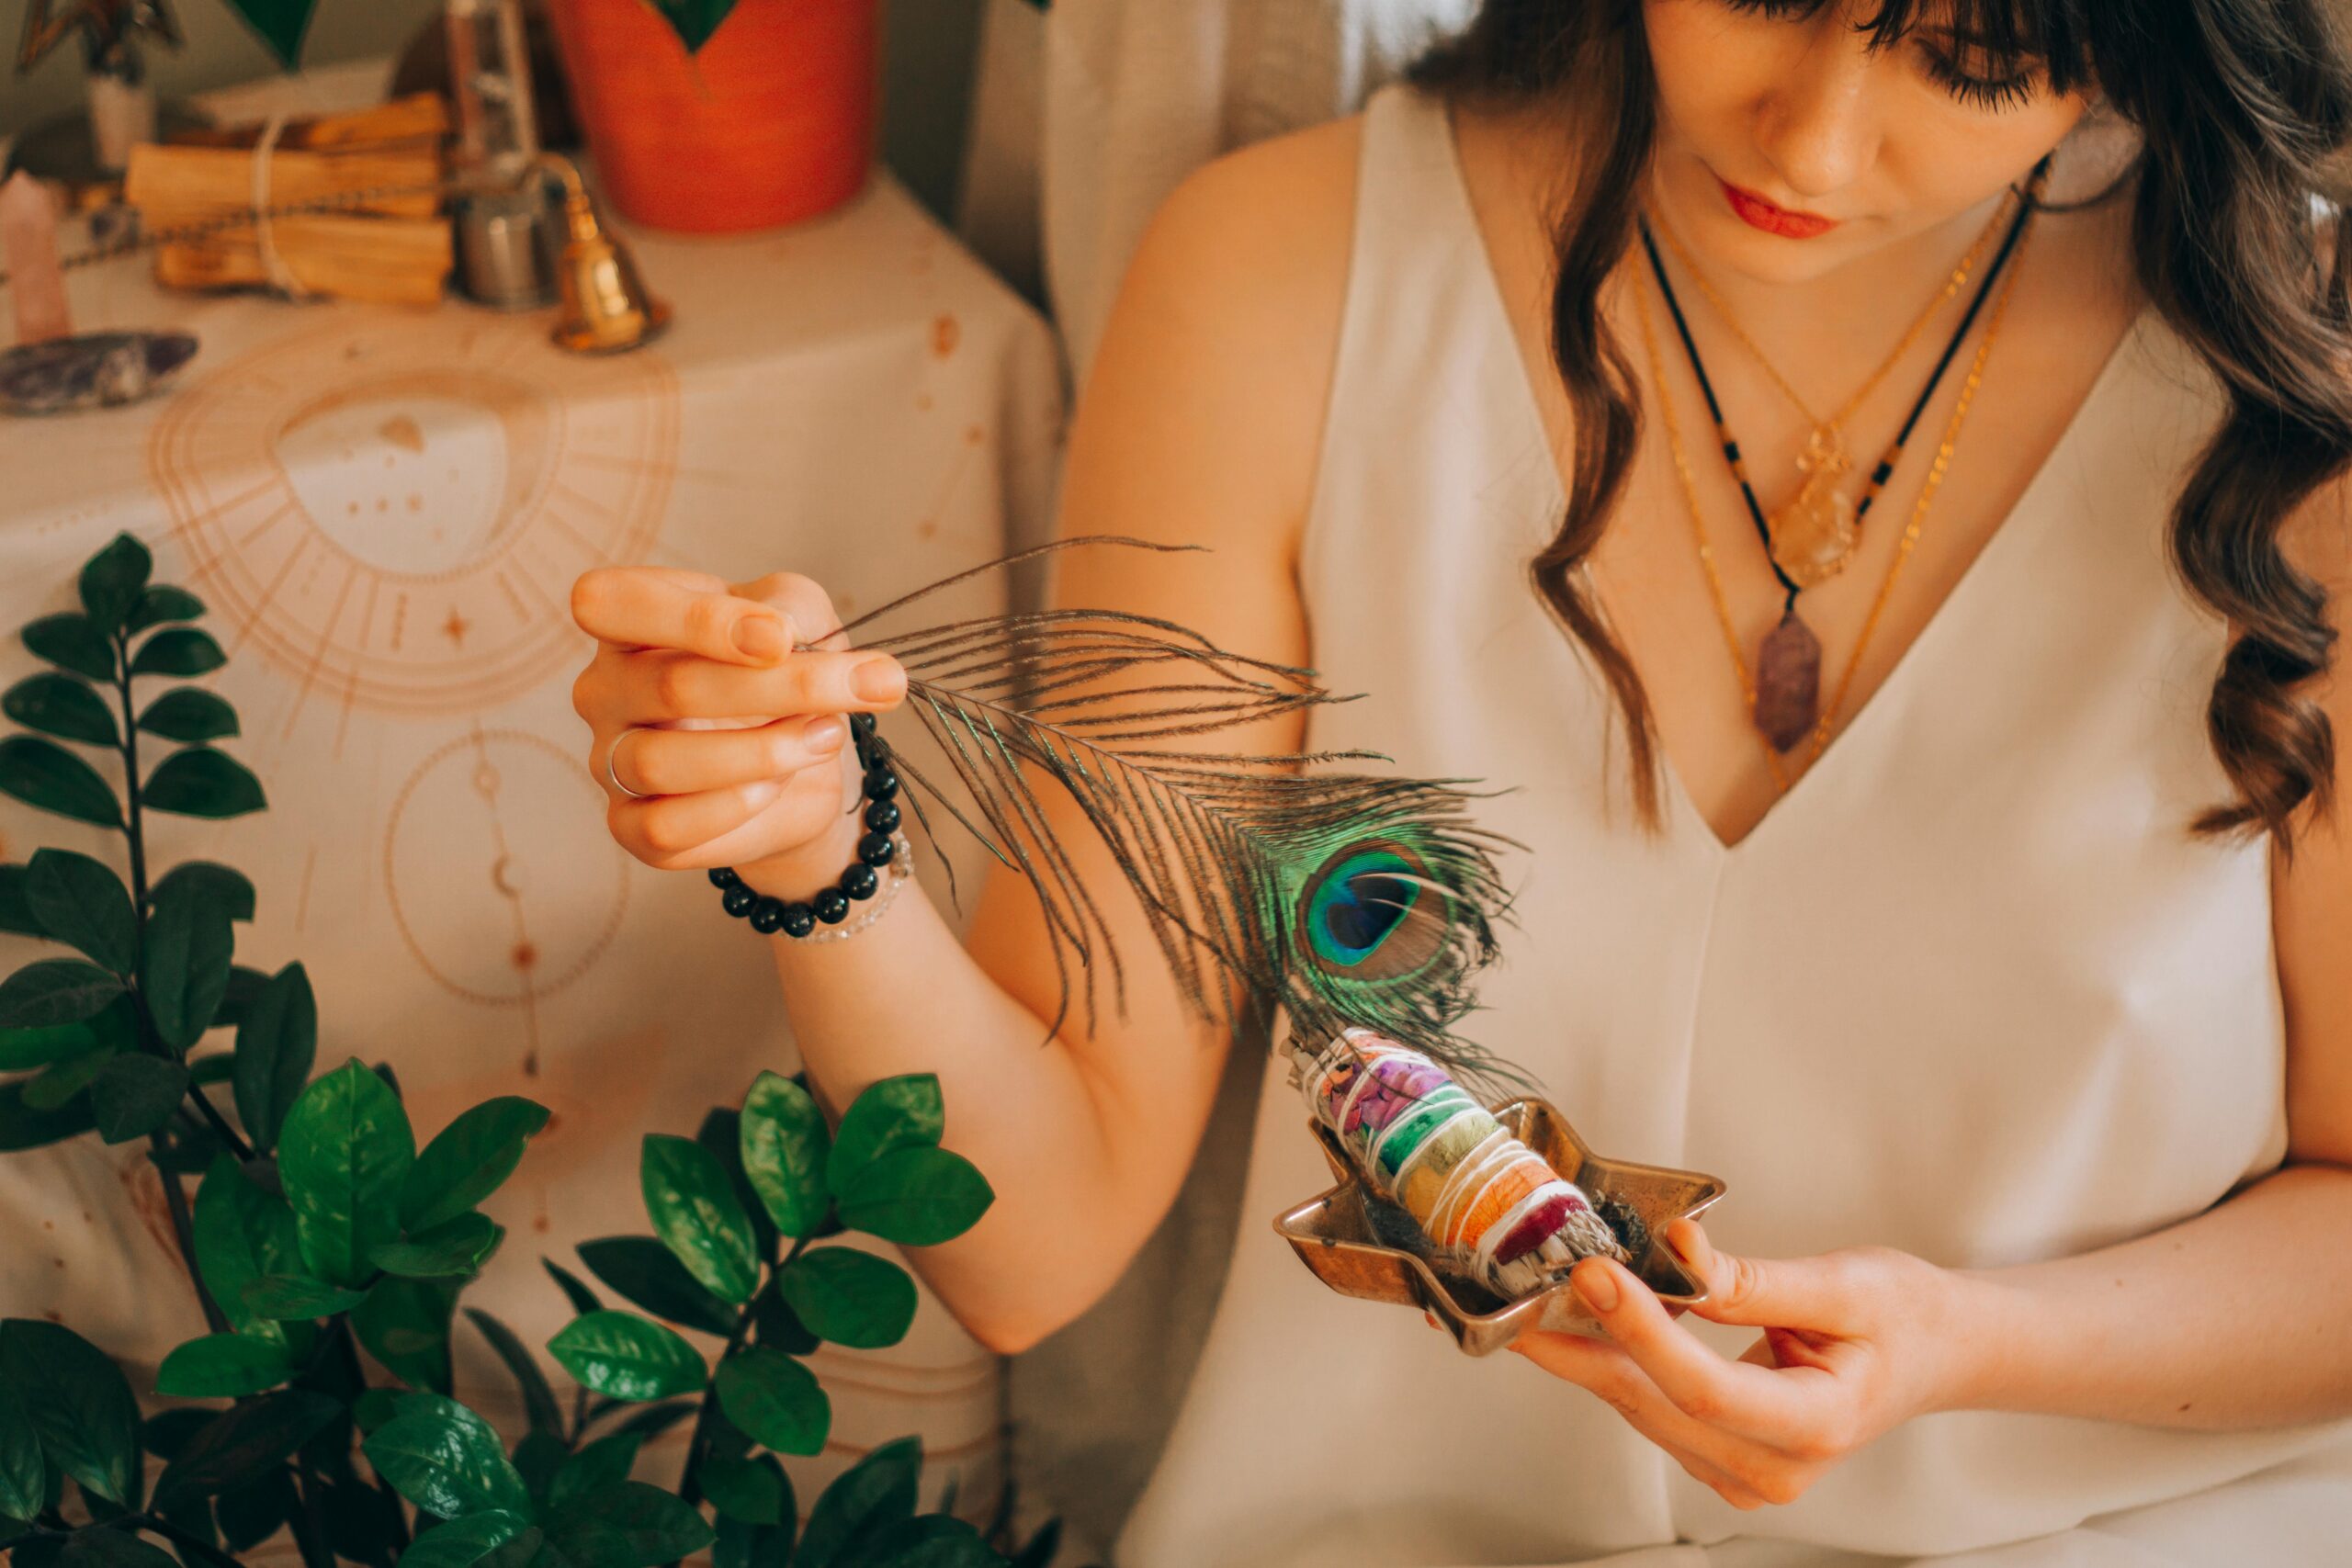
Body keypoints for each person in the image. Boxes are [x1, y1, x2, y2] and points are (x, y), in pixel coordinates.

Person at [566, 1, 2352, 1562]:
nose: (1811, 133)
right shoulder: (1284, 275)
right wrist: (821, 849)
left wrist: (1960, 1344)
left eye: (1977, 55)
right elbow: (1029, 1240)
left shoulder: (2297, 390)